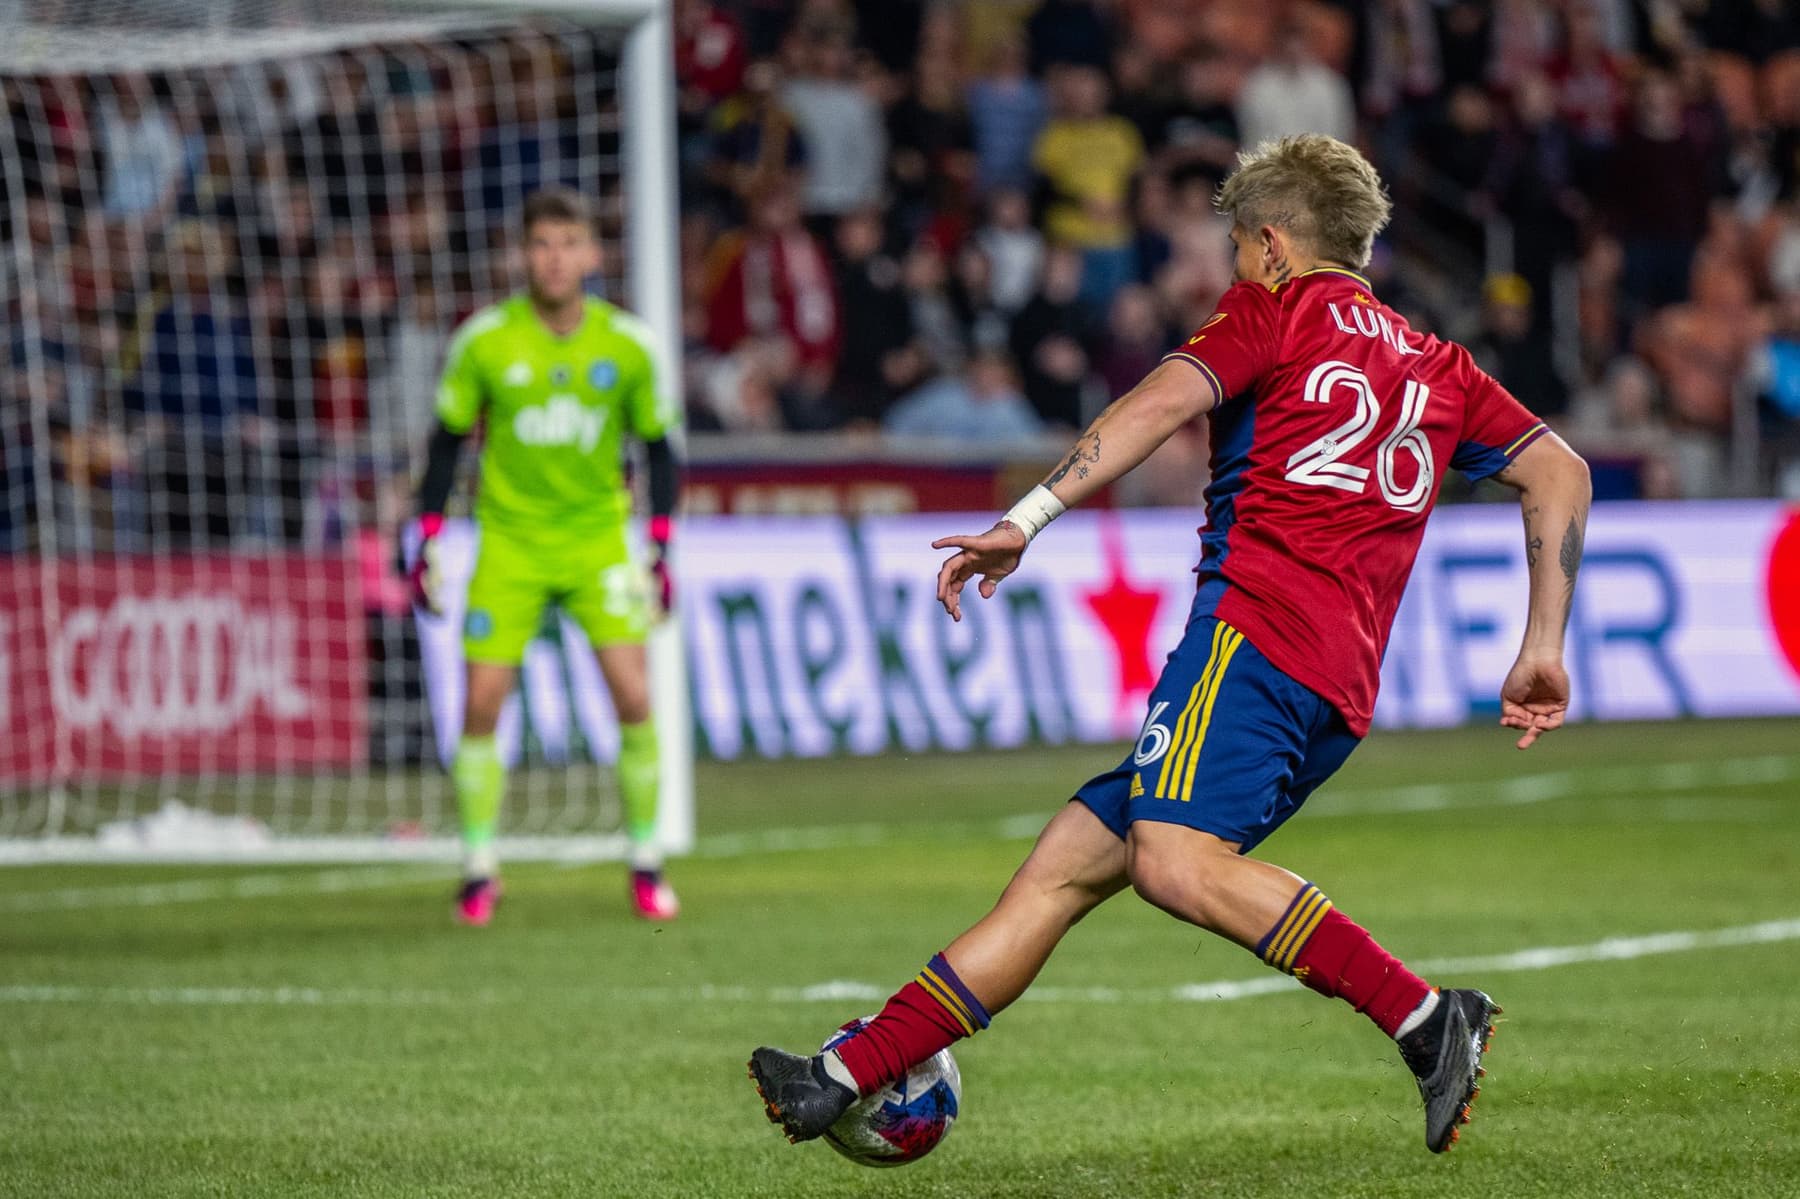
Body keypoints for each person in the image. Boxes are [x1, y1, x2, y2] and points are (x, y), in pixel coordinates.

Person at [748, 135, 1592, 1154]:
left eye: (1237, 246)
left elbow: (1154, 405)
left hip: (1251, 645)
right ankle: (841, 1073)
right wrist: (1542, 638)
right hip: (1334, 691)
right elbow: (1563, 473)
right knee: (1058, 872)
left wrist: (1029, 513)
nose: (1227, 269)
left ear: (1274, 246)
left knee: (1177, 863)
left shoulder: (1270, 311)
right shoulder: (1440, 366)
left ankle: (1423, 1017)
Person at [409, 188, 682, 926]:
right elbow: (445, 443)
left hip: (597, 540)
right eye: (541, 244)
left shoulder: (627, 344)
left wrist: (658, 548)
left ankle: (647, 861)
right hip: (510, 542)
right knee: (482, 703)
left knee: (633, 696)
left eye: (569, 243)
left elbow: (658, 449)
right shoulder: (485, 341)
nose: (554, 258)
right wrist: (427, 535)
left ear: (594, 254)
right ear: (522, 253)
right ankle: (477, 865)